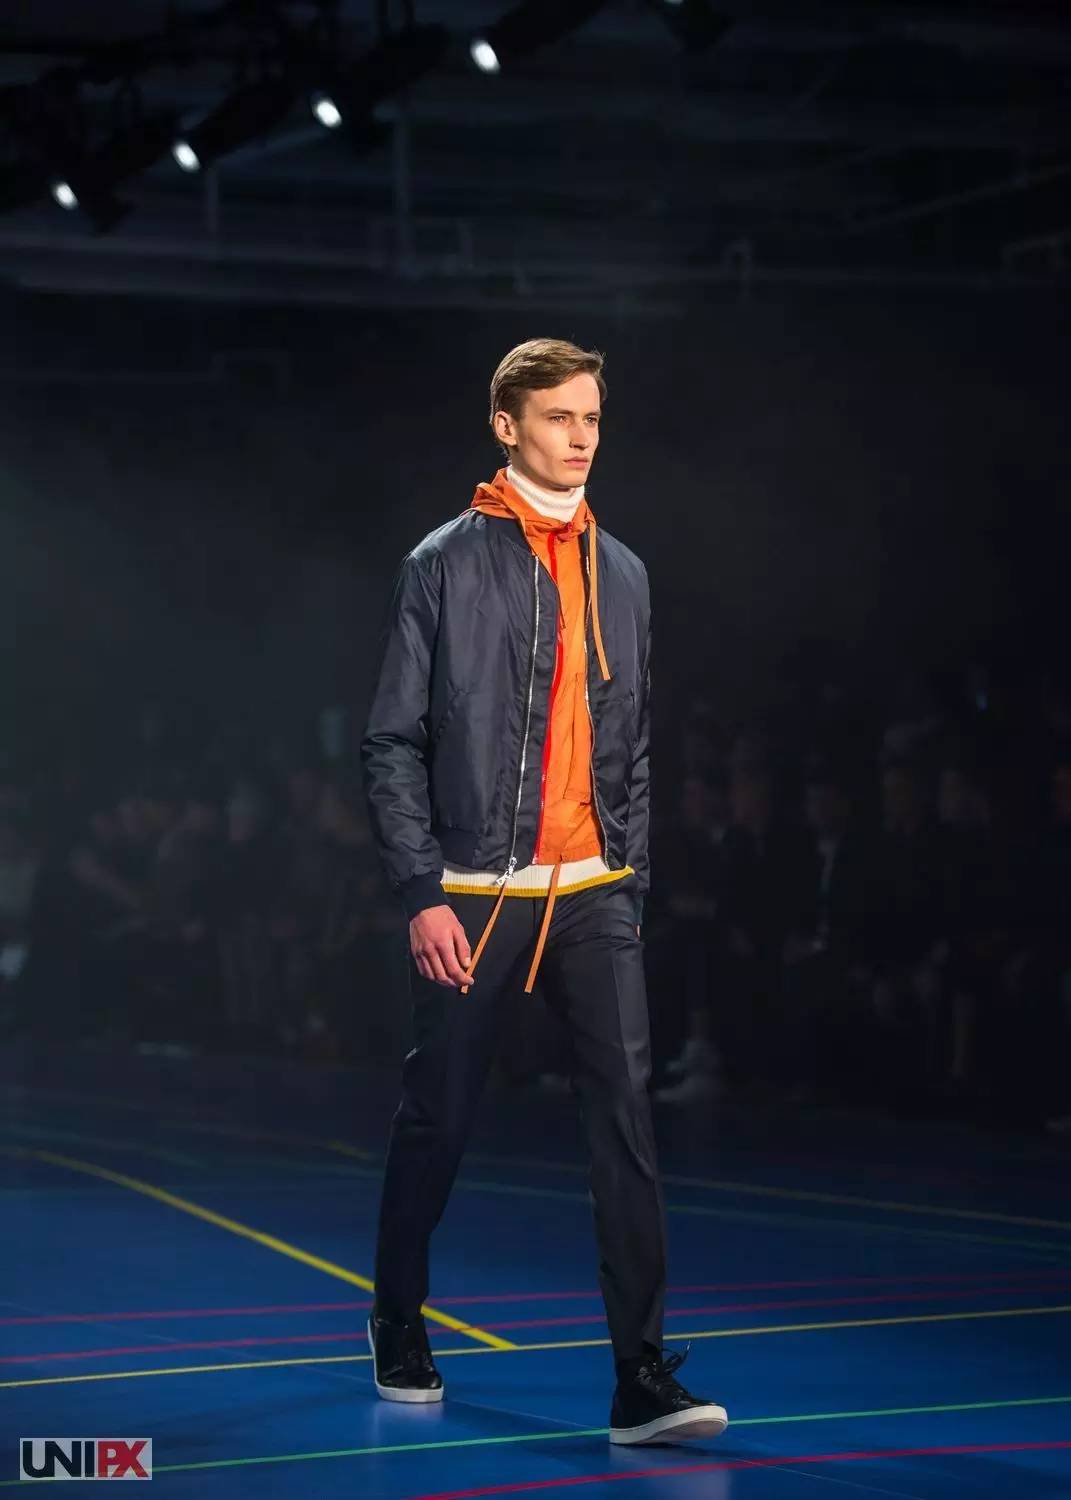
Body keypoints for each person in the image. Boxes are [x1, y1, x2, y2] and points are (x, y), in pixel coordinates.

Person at [360, 337, 728, 1445]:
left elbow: (635, 741)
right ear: (506, 424)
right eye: (559, 416)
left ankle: (640, 1376)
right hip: (474, 892)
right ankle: (396, 1315)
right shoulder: (441, 563)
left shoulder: (625, 572)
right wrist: (422, 890)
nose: (580, 437)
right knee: (440, 1114)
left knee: (626, 1123)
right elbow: (391, 741)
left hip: (595, 890)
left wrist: (632, 880)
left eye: (592, 418)